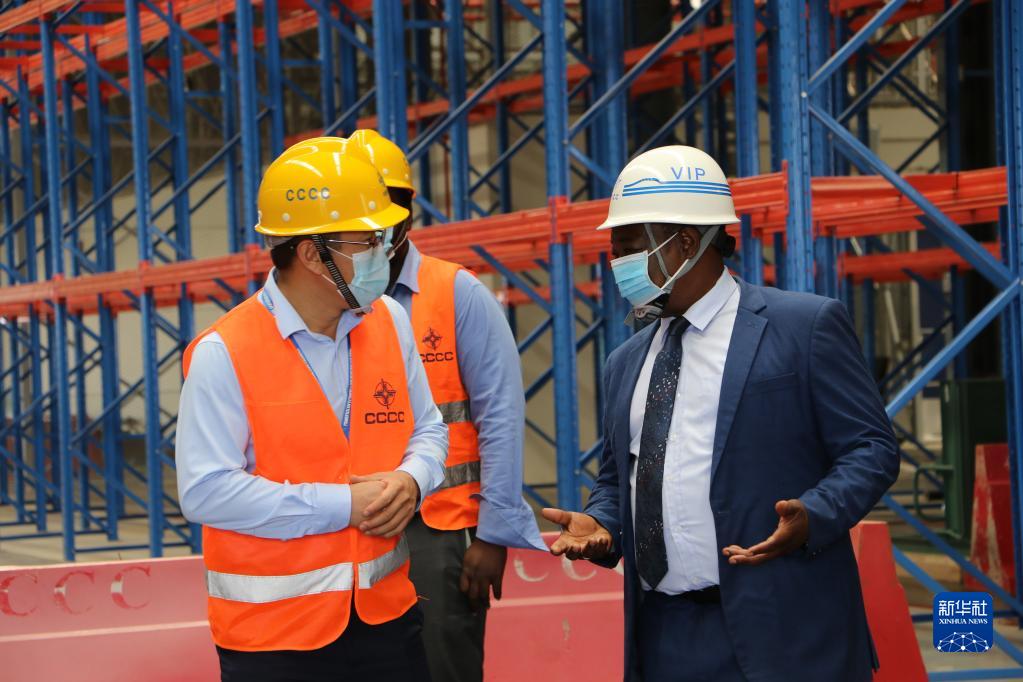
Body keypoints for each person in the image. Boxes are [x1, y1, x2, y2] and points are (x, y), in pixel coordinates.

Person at [542, 145, 900, 682]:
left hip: (787, 633)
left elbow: (872, 449)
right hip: (664, 636)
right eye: (615, 253)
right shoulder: (626, 363)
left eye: (630, 249)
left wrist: (814, 514)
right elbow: (621, 479)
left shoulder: (803, 328)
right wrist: (602, 524)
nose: (617, 267)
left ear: (686, 243)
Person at [175, 138, 448, 682]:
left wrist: (413, 480)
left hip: (387, 622)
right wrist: (343, 506)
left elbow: (430, 430)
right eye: (366, 241)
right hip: (274, 642)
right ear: (310, 254)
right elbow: (205, 490)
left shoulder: (389, 320)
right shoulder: (224, 352)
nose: (383, 253)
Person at [344, 128, 546, 682]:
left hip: (439, 530)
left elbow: (500, 416)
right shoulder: (332, 301)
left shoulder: (456, 293)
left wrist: (493, 534)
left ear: (406, 213)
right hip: (351, 524)